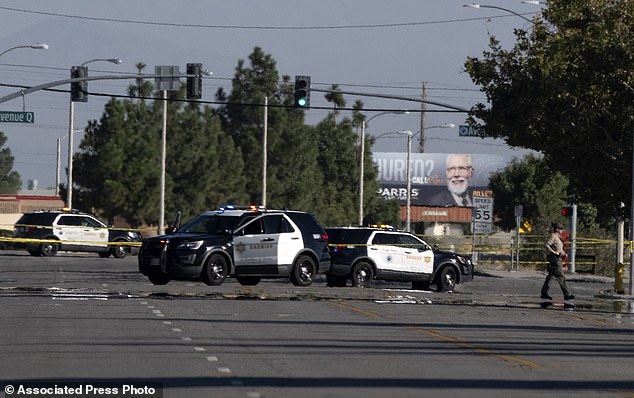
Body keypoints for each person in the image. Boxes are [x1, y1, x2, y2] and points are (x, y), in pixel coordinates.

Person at [541, 222, 575, 300]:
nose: (562, 230)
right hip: (555, 259)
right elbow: (546, 244)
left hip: (558, 258)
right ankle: (567, 294)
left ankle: (544, 293)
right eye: (561, 229)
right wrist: (553, 252)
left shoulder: (558, 237)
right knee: (561, 276)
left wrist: (563, 253)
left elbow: (559, 248)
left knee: (551, 276)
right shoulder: (553, 236)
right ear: (557, 229)